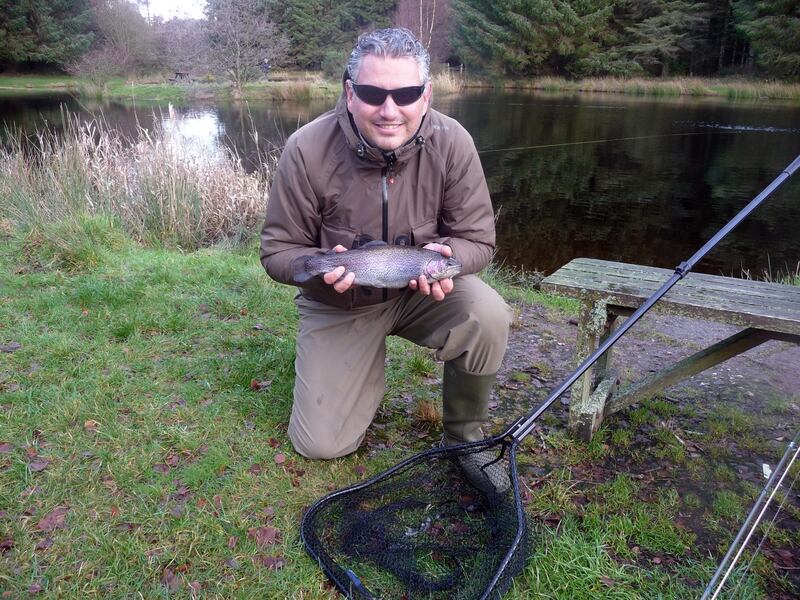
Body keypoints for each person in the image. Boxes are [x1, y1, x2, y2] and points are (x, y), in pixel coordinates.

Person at [260, 28, 511, 483]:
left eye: (406, 94)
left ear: (426, 94)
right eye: (373, 94)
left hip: (422, 292)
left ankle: (463, 437)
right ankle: (355, 378)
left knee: (489, 314)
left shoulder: (453, 141)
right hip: (341, 301)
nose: (389, 110)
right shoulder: (307, 148)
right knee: (321, 445)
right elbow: (278, 250)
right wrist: (316, 269)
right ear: (350, 92)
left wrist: (448, 253)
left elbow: (478, 241)